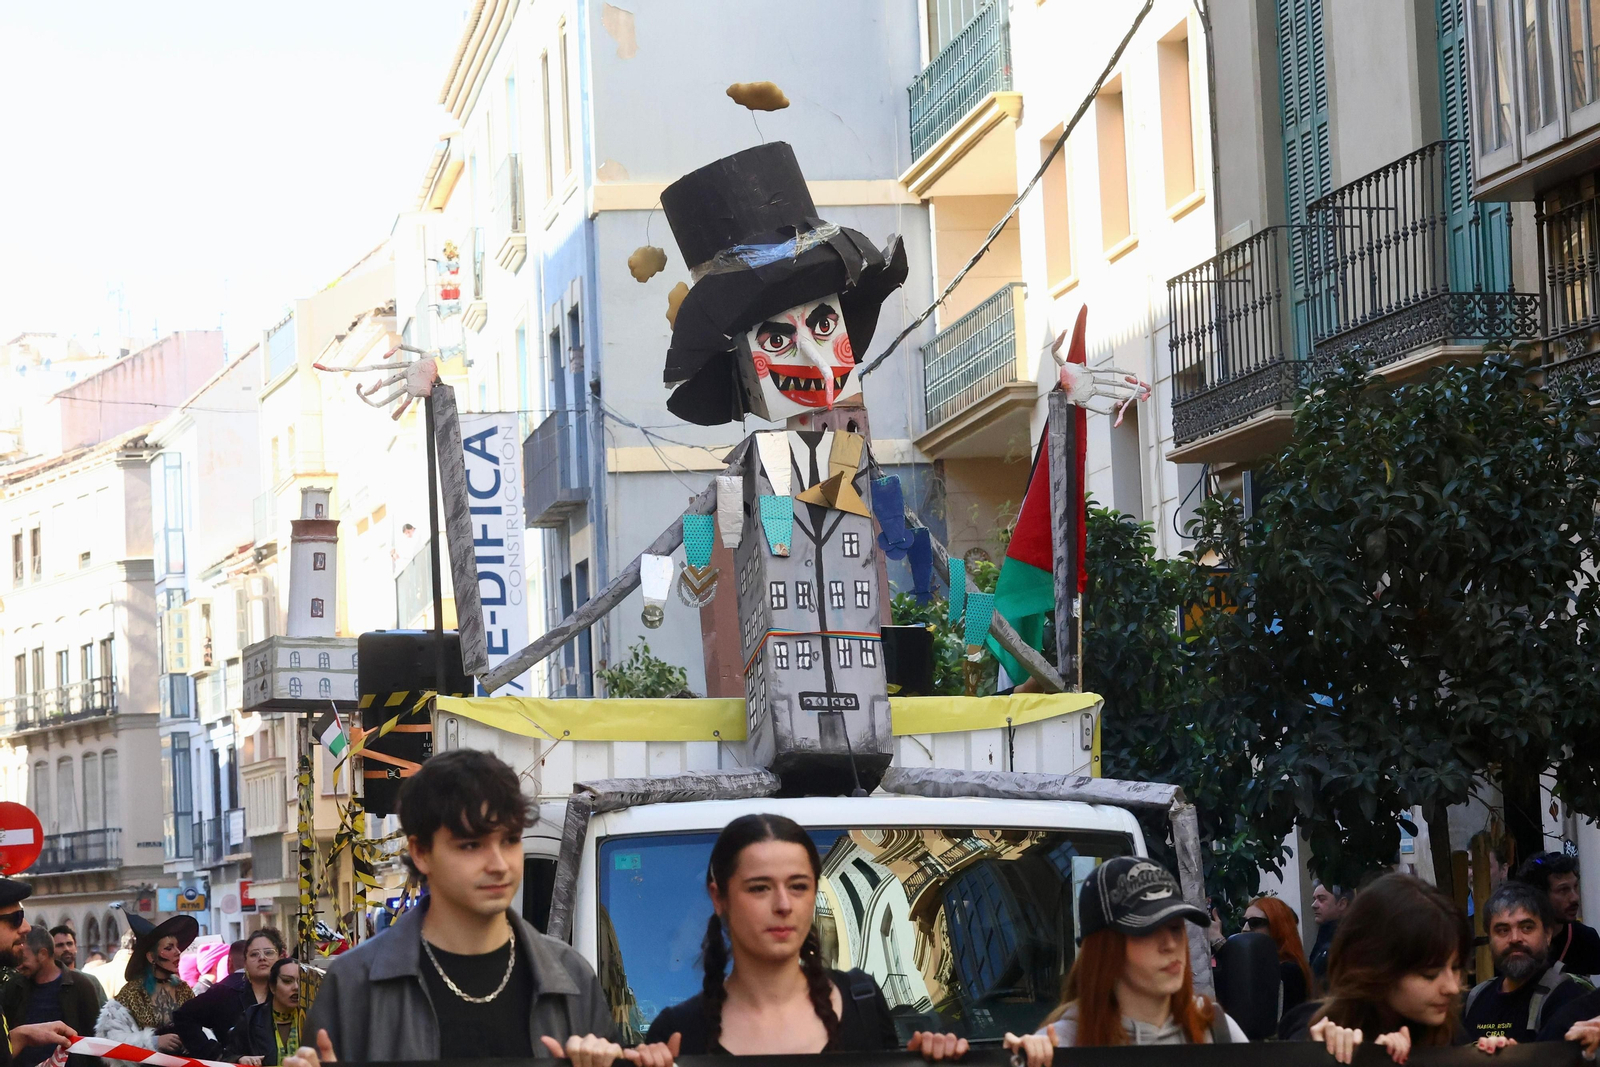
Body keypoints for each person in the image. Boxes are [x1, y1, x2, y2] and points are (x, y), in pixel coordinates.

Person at [285, 749, 627, 1067]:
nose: (499, 865)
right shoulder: (354, 986)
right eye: (472, 845)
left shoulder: (570, 977)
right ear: (421, 853)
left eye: (510, 840)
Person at [642, 814, 963, 1059]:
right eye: (759, 888)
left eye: (798, 886)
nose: (783, 905)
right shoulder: (676, 1032)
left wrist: (928, 1060)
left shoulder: (862, 1002)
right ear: (719, 898)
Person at [1005, 856, 1247, 1066]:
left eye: (1175, 928)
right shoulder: (1062, 1045)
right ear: (1105, 949)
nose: (1170, 945)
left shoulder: (1216, 1029)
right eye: (1148, 931)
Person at [1282, 873, 1517, 1063]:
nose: (1452, 987)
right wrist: (1324, 1053)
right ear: (1376, 969)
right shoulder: (1314, 1028)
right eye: (1430, 975)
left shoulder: (1449, 1034)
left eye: (1455, 968)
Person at [1463, 881, 1586, 1044]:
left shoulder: (1567, 999)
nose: (1515, 939)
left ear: (1547, 935)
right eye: (1503, 930)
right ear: (1490, 939)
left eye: (1527, 928)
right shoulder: (1475, 999)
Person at [0, 878, 85, 1066]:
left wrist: (22, 1036)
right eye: (16, 919)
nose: (26, 927)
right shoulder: (14, 986)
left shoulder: (82, 983)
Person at [172, 929, 284, 1060]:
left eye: (269, 952)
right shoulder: (225, 993)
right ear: (245, 962)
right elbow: (183, 1017)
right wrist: (217, 1054)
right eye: (254, 954)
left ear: (280, 958)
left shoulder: (292, 992)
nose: (262, 958)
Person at [94, 914, 197, 1053]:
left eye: (177, 947)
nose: (178, 952)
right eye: (169, 948)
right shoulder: (132, 992)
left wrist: (192, 1042)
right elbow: (112, 1039)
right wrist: (153, 1042)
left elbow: (200, 1024)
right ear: (151, 957)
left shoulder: (183, 989)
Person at [12, 926, 103, 1067]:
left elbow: (94, 1037)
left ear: (42, 954)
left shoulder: (80, 985)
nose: (19, 966)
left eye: (23, 959)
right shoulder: (14, 987)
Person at [1516, 853, 1600, 977]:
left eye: (1575, 887)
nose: (1574, 898)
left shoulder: (1585, 939)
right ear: (1539, 895)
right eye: (1563, 890)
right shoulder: (1516, 942)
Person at [1243, 897, 1315, 1019]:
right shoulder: (1257, 964)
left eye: (1255, 922)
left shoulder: (1289, 970)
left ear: (1276, 926)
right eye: (1243, 922)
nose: (1245, 928)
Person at [225, 958, 303, 1066]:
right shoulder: (252, 1018)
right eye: (287, 981)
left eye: (301, 981)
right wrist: (240, 1059)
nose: (296, 987)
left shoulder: (313, 1019)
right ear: (272, 986)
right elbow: (228, 1055)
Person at [1308, 882, 1353, 982]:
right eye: (1314, 899)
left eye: (1321, 899)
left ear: (1342, 904)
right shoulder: (1325, 934)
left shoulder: (1348, 939)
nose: (1314, 905)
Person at [49, 929, 104, 1005]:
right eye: (60, 945)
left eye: (69, 944)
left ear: (76, 947)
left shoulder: (90, 980)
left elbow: (104, 1009)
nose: (66, 949)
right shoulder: (47, 981)